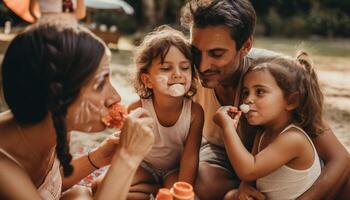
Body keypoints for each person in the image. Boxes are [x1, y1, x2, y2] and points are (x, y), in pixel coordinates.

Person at [180, 0, 350, 199]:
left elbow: (340, 157)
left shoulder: (274, 73)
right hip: (227, 157)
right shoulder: (184, 71)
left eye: (216, 54)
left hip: (281, 160)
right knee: (204, 183)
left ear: (246, 46)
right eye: (195, 52)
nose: (202, 66)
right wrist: (245, 184)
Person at [0, 19, 154, 200]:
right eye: (100, 85)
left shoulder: (57, 125)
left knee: (83, 194)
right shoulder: (4, 169)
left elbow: (50, 184)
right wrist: (127, 157)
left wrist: (97, 158)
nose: (116, 97)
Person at [214, 52, 323, 199]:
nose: (248, 100)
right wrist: (245, 186)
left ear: (291, 101)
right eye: (246, 93)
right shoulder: (263, 133)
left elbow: (248, 170)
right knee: (231, 196)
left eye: (259, 92)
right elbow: (250, 177)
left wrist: (227, 127)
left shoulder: (293, 139)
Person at [124, 25, 203, 199]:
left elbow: (190, 157)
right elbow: (126, 152)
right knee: (101, 186)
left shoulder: (195, 113)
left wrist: (183, 193)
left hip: (173, 170)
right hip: (144, 167)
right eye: (166, 68)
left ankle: (156, 191)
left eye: (184, 67)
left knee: (184, 196)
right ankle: (152, 189)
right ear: (147, 80)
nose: (177, 74)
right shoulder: (137, 109)